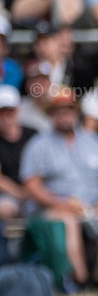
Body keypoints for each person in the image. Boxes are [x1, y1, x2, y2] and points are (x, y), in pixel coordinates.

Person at [21, 87, 98, 286]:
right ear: (51, 114)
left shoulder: (93, 140)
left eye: (69, 110)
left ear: (76, 112)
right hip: (56, 207)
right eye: (59, 111)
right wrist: (61, 203)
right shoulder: (38, 144)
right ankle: (80, 281)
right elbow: (32, 185)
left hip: (96, 205)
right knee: (68, 222)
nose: (64, 115)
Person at [0, 85, 31, 225]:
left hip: (37, 190)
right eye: (1, 113)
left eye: (9, 112)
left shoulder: (33, 134)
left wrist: (34, 192)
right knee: (5, 208)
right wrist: (20, 193)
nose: (5, 118)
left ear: (17, 111)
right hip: (10, 195)